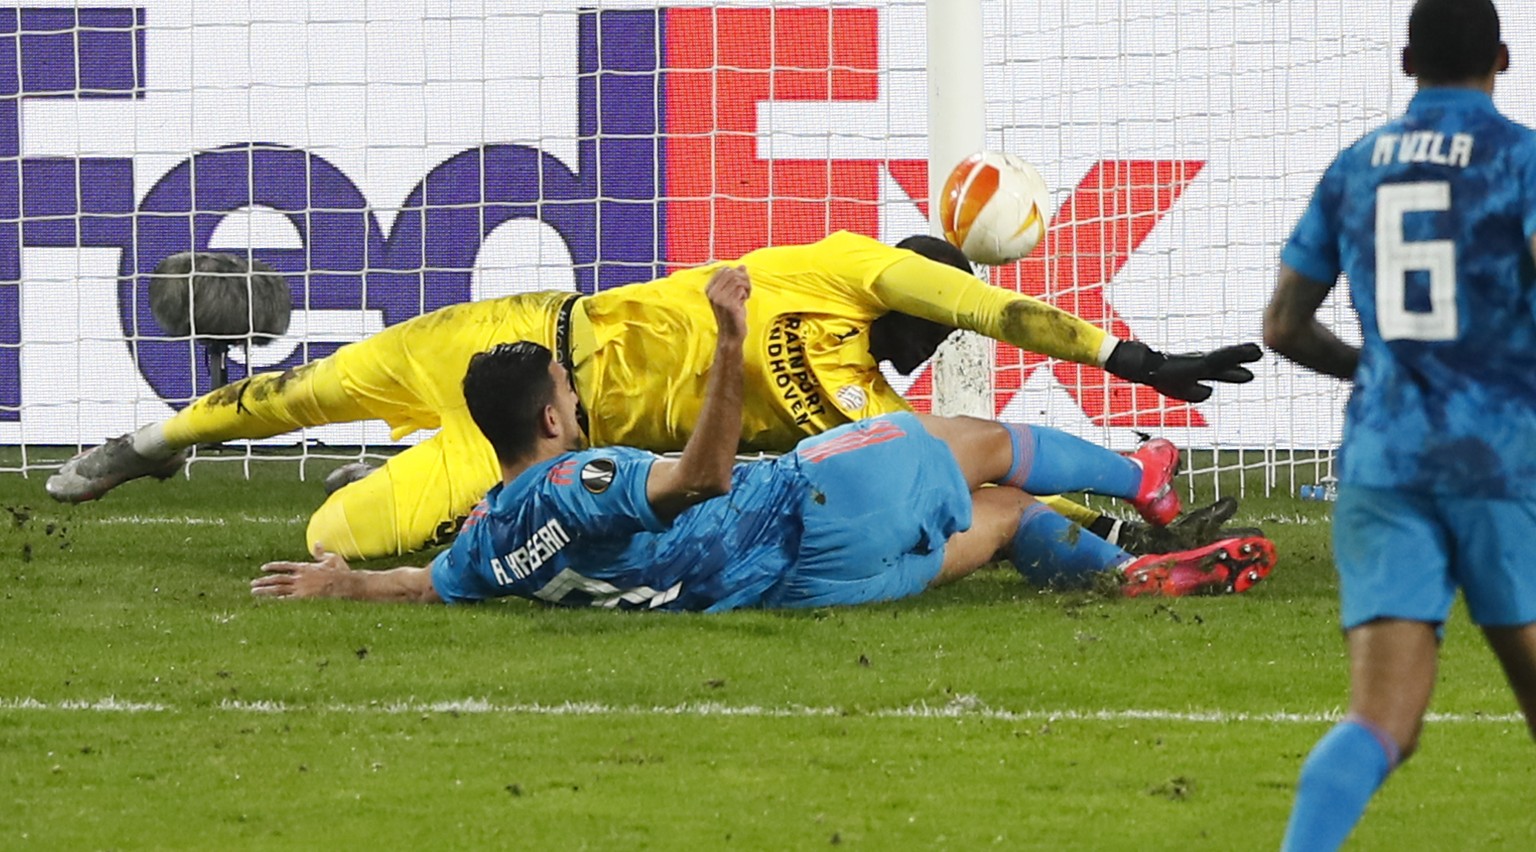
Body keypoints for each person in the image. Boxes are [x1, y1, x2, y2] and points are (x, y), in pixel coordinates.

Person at [51, 231, 1261, 559]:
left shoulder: (853, 407)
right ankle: (148, 439)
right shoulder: (840, 266)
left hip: (546, 436)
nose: (934, 313)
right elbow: (995, 309)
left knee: (336, 534)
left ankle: (390, 496)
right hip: (521, 331)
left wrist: (1089, 510)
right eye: (934, 300)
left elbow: (943, 468)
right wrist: (1127, 357)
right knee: (301, 388)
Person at [253, 266, 1277, 610]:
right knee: (977, 441)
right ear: (557, 418)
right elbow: (697, 479)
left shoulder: (483, 541)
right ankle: (1139, 473)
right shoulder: (588, 479)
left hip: (800, 591)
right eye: (571, 385)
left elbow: (427, 586)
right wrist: (735, 340)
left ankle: (1132, 579)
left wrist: (346, 583)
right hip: (805, 503)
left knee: (1003, 523)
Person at [1265, 2, 1536, 848]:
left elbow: (1281, 325)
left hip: (1385, 461)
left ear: (1406, 59)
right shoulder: (1521, 159)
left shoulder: (1357, 166)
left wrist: (1375, 370)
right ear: (1502, 55)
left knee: (1381, 722)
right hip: (1499, 459)